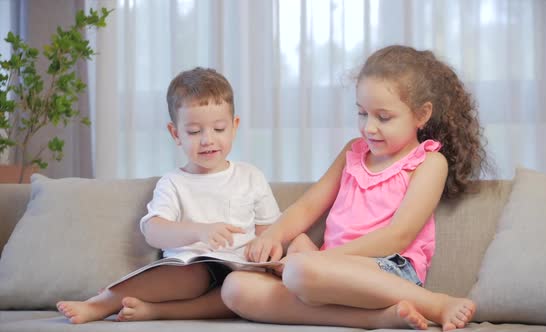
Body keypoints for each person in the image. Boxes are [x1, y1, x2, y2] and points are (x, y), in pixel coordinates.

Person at [220, 45, 488, 331]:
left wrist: (321, 259)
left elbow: (399, 236)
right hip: (328, 272)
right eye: (362, 113)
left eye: (383, 117)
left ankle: (435, 303)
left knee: (299, 269)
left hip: (388, 270)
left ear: (421, 115)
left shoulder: (429, 162)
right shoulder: (353, 152)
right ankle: (378, 319)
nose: (369, 128)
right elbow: (308, 206)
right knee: (234, 287)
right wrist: (272, 235)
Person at [56, 67, 281, 324]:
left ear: (234, 126)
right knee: (194, 276)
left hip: (239, 275)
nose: (207, 140)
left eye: (219, 129)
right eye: (194, 132)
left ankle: (156, 312)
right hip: (189, 271)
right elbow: (153, 231)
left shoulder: (251, 176)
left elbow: (270, 232)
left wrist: (267, 256)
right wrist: (199, 231)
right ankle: (102, 303)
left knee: (243, 290)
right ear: (176, 134)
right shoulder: (174, 183)